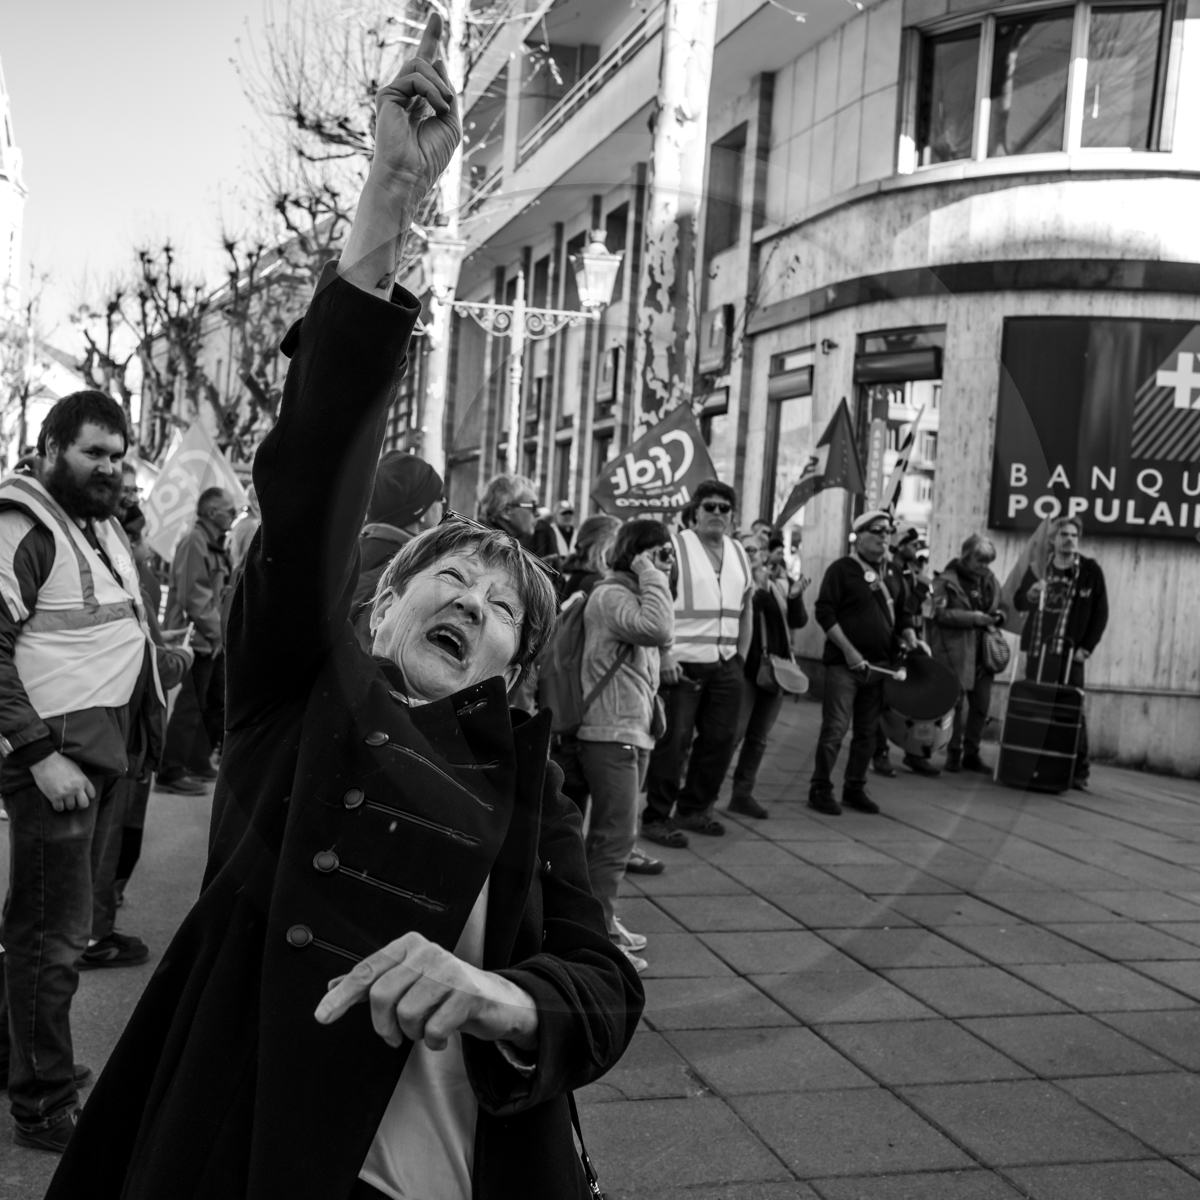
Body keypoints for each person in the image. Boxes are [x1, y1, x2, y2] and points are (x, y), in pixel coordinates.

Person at [45, 25, 642, 1192]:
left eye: (504, 602)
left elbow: (604, 980)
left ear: (513, 665)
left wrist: (503, 995)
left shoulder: (525, 780)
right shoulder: (293, 699)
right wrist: (390, 198)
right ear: (377, 614)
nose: (474, 594)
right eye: (448, 576)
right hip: (260, 1155)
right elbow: (313, 470)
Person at [0, 390, 190, 1150]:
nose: (110, 468)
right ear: (50, 449)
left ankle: (21, 1063)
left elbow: (113, 631)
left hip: (98, 757)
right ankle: (43, 1103)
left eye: (118, 456)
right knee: (53, 936)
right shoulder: (22, 525)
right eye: (93, 454)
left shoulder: (100, 523)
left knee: (39, 926)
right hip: (59, 765)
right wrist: (40, 757)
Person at [576, 519, 674, 971]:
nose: (665, 562)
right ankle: (597, 938)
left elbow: (660, 639)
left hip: (632, 731)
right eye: (657, 553)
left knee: (617, 836)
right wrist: (651, 575)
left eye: (668, 554)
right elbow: (657, 630)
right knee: (612, 839)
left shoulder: (633, 593)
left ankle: (605, 923)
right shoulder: (611, 594)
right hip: (609, 732)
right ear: (635, 554)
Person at [642, 479, 752, 846]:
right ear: (695, 511)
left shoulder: (738, 551)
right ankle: (656, 816)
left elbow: (746, 605)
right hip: (682, 665)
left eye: (724, 508)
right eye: (710, 507)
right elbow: (656, 599)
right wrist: (665, 652)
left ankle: (694, 809)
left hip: (725, 665)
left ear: (732, 515)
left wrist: (741, 657)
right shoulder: (675, 547)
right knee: (673, 744)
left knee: (720, 741)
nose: (717, 513)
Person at [808, 510, 917, 816]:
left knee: (867, 733)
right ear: (859, 535)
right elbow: (824, 612)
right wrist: (850, 651)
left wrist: (909, 634)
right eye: (877, 530)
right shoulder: (842, 569)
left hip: (880, 666)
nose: (885, 536)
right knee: (835, 729)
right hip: (846, 666)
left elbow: (904, 613)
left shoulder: (893, 573)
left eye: (888, 531)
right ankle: (820, 788)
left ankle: (854, 787)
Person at [1014, 515, 1108, 789]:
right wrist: (1030, 595)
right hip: (1038, 652)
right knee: (1037, 708)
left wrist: (1086, 649)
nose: (1069, 540)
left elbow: (1100, 613)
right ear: (1053, 539)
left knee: (1072, 710)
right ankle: (1036, 763)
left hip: (1070, 655)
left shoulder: (1090, 571)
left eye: (1074, 536)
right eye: (1064, 535)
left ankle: (1079, 769)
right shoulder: (1038, 568)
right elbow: (1019, 602)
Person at [155, 487, 237, 794]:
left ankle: (198, 761)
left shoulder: (214, 543)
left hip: (211, 638)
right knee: (191, 707)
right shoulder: (194, 541)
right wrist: (218, 633)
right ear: (213, 513)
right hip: (195, 638)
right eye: (229, 511)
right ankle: (171, 771)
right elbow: (194, 596)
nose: (233, 515)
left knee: (212, 703)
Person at [729, 532, 808, 819]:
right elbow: (740, 619)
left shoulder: (776, 585)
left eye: (756, 549)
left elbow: (796, 621)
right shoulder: (732, 584)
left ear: (764, 554)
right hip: (746, 671)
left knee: (759, 737)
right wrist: (758, 591)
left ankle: (742, 794)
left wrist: (795, 597)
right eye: (745, 548)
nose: (752, 553)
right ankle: (704, 795)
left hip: (775, 671)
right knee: (733, 734)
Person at [928, 534, 1009, 773]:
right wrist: (972, 618)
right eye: (980, 561)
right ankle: (953, 752)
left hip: (984, 653)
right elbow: (938, 615)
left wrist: (1000, 617)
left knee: (981, 705)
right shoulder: (945, 581)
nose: (984, 566)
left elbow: (1002, 606)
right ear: (966, 557)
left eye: (988, 561)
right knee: (955, 704)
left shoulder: (990, 580)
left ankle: (972, 752)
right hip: (956, 650)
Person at [350, 451, 444, 649]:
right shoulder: (413, 572)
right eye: (440, 497)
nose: (443, 506)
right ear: (421, 510)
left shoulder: (345, 556)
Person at [873, 522, 939, 778]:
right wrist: (921, 590)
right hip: (891, 645)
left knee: (916, 701)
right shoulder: (888, 572)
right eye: (911, 544)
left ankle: (916, 753)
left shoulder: (911, 570)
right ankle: (880, 754)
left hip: (912, 642)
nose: (916, 548)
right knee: (883, 702)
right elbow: (901, 610)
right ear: (899, 547)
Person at [558, 513, 619, 603]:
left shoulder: (583, 574)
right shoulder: (591, 581)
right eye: (617, 540)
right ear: (602, 545)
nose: (621, 546)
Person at [479, 473, 538, 548]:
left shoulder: (496, 543)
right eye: (533, 506)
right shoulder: (487, 546)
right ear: (506, 511)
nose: (538, 513)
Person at [532, 500, 575, 570]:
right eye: (564, 513)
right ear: (555, 515)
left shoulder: (578, 534)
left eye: (570, 513)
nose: (568, 516)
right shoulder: (547, 533)